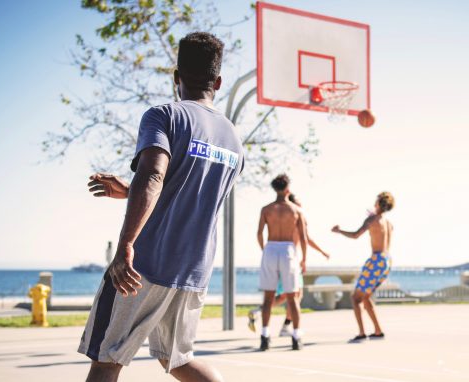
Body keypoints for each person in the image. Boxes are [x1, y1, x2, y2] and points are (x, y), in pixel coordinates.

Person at [79, 32, 242, 382]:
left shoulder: (164, 115)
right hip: (194, 269)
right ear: (218, 81)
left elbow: (154, 176)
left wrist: (125, 246)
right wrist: (129, 189)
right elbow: (190, 192)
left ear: (175, 77)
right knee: (179, 362)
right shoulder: (233, 138)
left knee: (107, 361)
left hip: (147, 264)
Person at [247, 193, 330, 336]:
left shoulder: (291, 217)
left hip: (287, 260)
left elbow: (305, 239)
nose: (301, 206)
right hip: (289, 261)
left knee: (290, 295)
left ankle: (276, 321)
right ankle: (278, 323)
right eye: (299, 203)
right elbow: (306, 239)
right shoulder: (295, 218)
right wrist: (317, 254)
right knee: (291, 296)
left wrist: (321, 252)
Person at [331, 192, 395, 342]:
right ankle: (378, 331)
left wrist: (339, 231)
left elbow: (355, 235)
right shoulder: (389, 223)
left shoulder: (372, 219)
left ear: (379, 203)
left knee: (355, 298)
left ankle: (361, 333)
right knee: (365, 296)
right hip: (386, 260)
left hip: (376, 259)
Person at [256, 175, 308, 351]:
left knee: (268, 297)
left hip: (270, 248)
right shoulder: (296, 210)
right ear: (287, 188)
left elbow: (259, 234)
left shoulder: (266, 209)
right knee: (292, 296)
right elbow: (303, 237)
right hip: (288, 250)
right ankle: (296, 337)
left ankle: (265, 336)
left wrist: (265, 250)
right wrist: (304, 259)